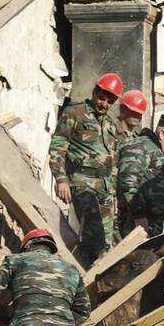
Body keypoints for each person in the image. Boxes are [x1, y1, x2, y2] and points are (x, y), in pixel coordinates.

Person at [49, 72, 123, 264]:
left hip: (105, 187)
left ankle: (99, 274)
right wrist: (61, 180)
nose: (104, 104)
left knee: (107, 240)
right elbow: (58, 147)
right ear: (94, 92)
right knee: (93, 232)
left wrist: (114, 192)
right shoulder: (75, 113)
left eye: (110, 101)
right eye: (102, 98)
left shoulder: (110, 124)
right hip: (83, 184)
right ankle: (82, 270)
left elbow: (113, 160)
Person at [117, 92, 164, 239]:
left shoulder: (155, 150)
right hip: (137, 223)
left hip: (151, 222)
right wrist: (139, 217)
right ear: (162, 134)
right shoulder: (142, 146)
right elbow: (127, 182)